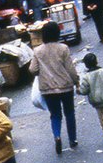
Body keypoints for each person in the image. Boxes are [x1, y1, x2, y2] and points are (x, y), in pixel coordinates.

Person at [29, 20, 80, 155]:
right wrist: (76, 81)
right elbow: (71, 69)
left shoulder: (38, 50)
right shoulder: (63, 48)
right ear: (57, 33)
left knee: (55, 115)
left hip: (47, 89)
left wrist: (42, 72)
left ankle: (57, 136)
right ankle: (72, 139)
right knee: (69, 113)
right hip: (65, 87)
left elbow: (33, 69)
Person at [78, 52, 103, 144]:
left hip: (95, 101)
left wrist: (79, 90)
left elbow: (84, 90)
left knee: (100, 116)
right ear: (96, 61)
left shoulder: (86, 77)